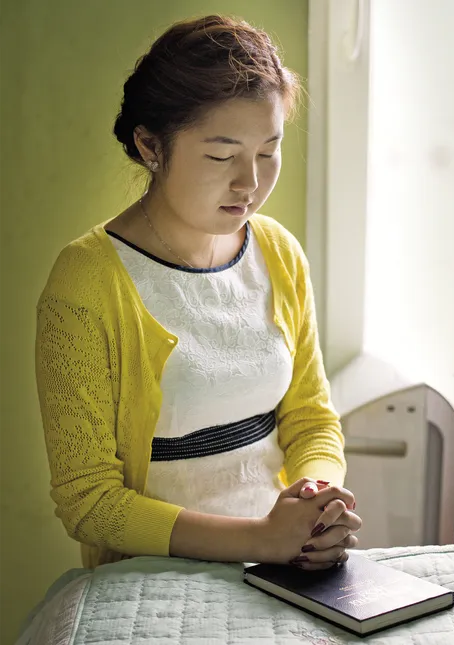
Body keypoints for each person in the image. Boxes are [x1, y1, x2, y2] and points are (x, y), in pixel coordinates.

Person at [35, 14, 361, 571]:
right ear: (150, 146)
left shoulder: (278, 253)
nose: (249, 183)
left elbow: (310, 419)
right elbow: (89, 501)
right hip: (154, 573)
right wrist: (258, 538)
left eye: (267, 151)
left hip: (284, 564)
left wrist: (314, 503)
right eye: (220, 155)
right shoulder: (88, 281)